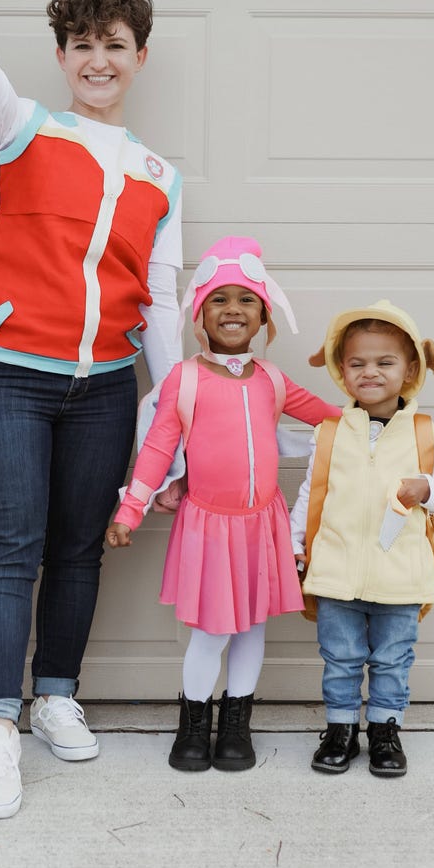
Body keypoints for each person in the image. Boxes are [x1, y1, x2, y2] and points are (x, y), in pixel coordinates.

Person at [0, 0, 183, 819]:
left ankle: (57, 695)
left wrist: (173, 416)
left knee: (78, 545)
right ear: (62, 54)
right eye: (81, 44)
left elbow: (163, 301)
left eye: (114, 44)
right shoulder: (23, 128)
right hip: (5, 375)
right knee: (9, 547)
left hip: (104, 386)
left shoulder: (158, 173)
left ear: (140, 56)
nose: (97, 59)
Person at [107, 237, 340, 772]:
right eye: (219, 299)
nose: (232, 309)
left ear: (263, 318)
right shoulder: (183, 381)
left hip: (262, 526)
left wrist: (381, 421)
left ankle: (237, 724)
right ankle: (193, 724)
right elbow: (158, 448)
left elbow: (331, 418)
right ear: (198, 316)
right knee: (211, 632)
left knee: (252, 627)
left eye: (246, 300)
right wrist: (129, 511)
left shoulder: (274, 382)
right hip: (209, 527)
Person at [290, 300, 434, 777]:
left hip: (401, 575)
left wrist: (428, 488)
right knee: (340, 659)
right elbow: (312, 492)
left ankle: (385, 729)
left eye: (385, 362)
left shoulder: (425, 433)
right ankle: (340, 728)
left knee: (391, 660)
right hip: (338, 572)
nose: (370, 372)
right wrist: (292, 542)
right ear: (342, 370)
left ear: (409, 371)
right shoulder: (331, 432)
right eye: (358, 363)